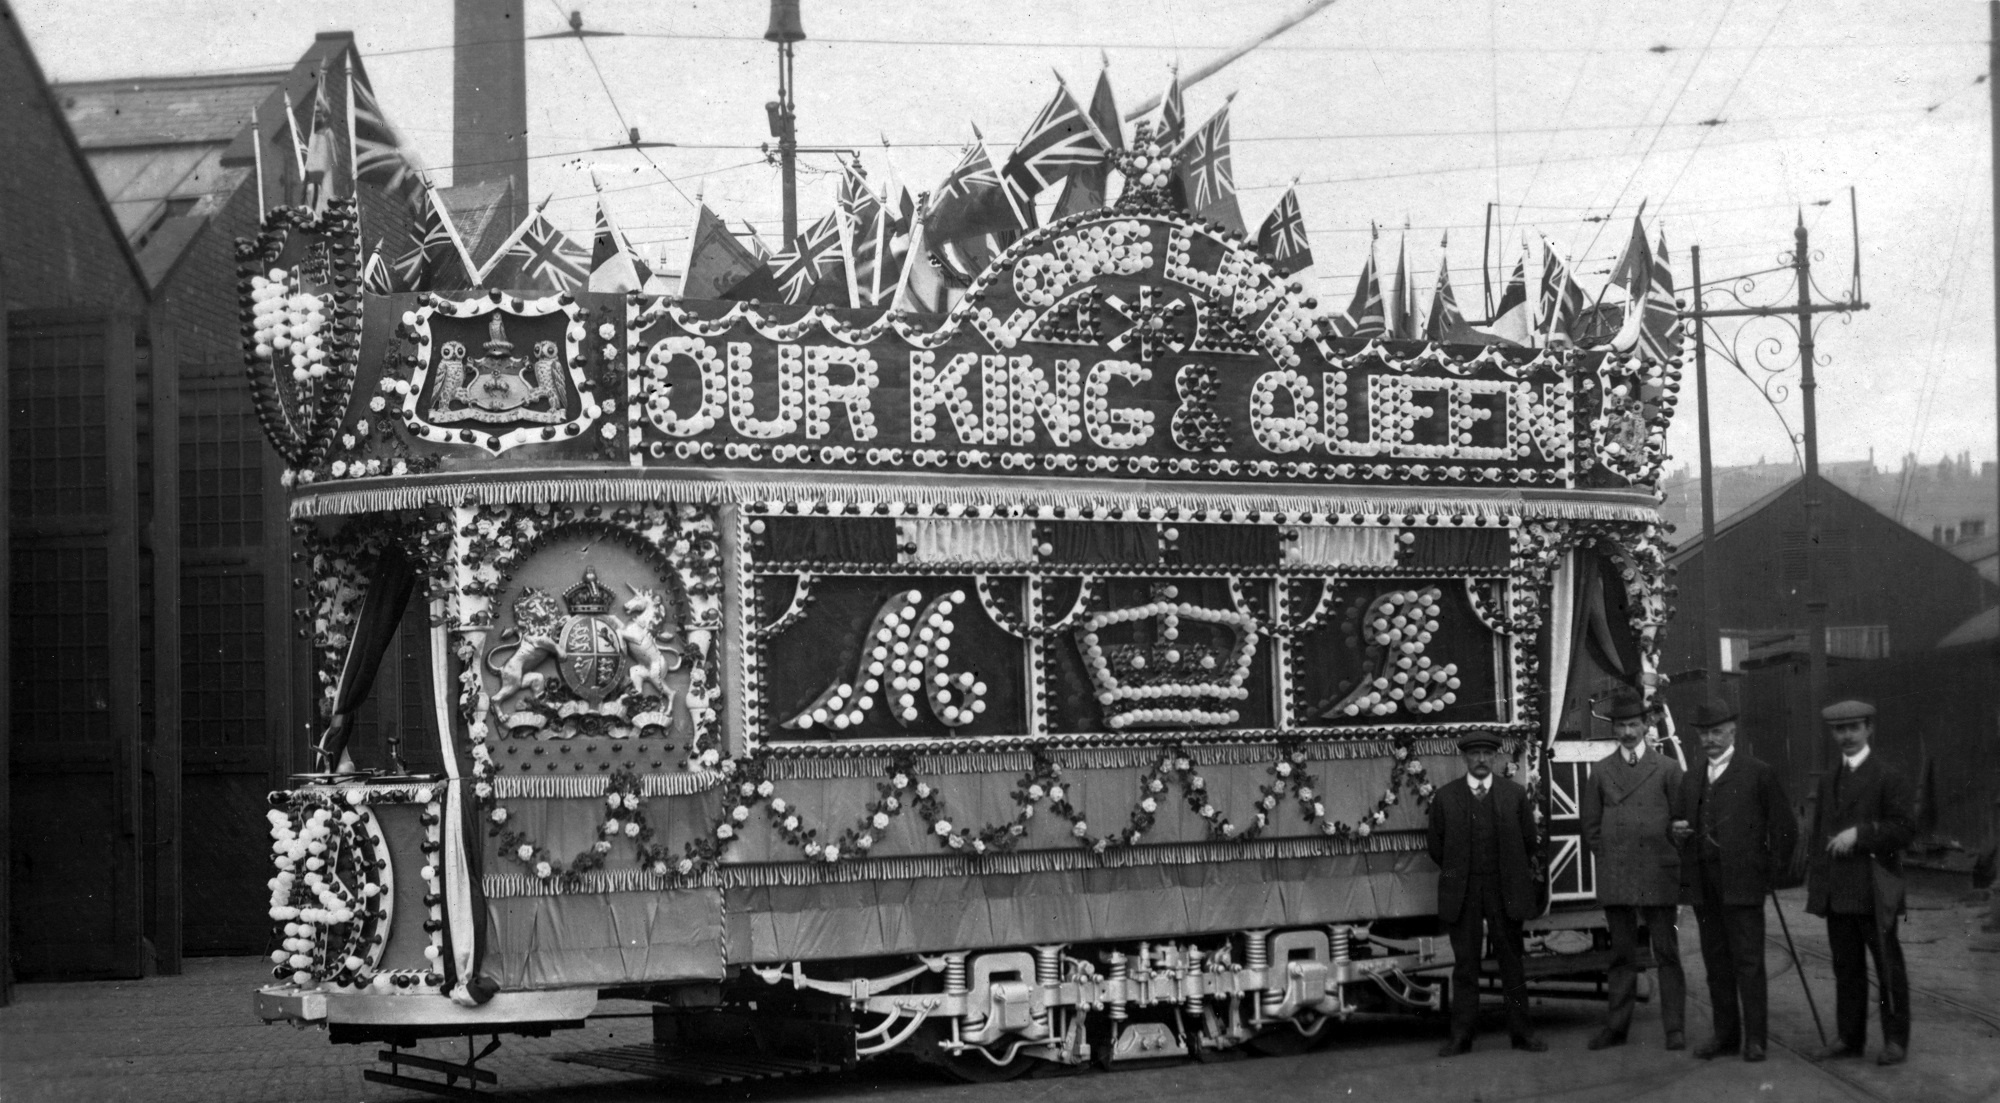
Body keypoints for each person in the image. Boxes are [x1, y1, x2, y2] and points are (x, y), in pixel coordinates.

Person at [1673, 698, 1795, 1063]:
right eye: (1704, 733)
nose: (1710, 739)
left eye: (1717, 732)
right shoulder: (1692, 777)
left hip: (1743, 882)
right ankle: (1725, 1035)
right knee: (1715, 961)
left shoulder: (1757, 772)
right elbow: (1678, 824)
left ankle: (1755, 1040)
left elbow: (1785, 829)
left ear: (1732, 732)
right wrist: (1675, 832)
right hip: (1704, 883)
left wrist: (1769, 875)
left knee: (1748, 962)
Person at [1804, 699, 1916, 1066]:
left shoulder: (1888, 775)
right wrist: (1818, 887)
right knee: (1846, 968)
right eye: (1839, 729)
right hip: (1839, 892)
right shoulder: (1827, 780)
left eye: (1853, 727)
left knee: (1887, 967)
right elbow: (1819, 835)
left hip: (1873, 890)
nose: (1846, 736)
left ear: (1869, 729)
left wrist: (1861, 834)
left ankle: (1895, 1040)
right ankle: (1849, 1038)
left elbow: (1904, 829)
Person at [1428, 731, 1547, 1056]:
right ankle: (1461, 1037)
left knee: (1512, 962)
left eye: (1487, 754)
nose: (1481, 759)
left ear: (1496, 757)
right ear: (1464, 758)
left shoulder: (1514, 795)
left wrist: (1506, 870)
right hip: (1463, 892)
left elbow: (1529, 841)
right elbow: (1437, 848)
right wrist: (1459, 874)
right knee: (1466, 966)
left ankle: (1522, 1034)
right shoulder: (1446, 797)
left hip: (1504, 888)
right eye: (1474, 753)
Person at [1581, 688, 1686, 1051]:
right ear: (1614, 730)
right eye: (1621, 726)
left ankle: (1675, 1028)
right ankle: (1617, 1027)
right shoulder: (1601, 771)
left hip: (1658, 871)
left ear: (1646, 725)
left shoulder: (1668, 769)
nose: (1627, 732)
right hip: (1619, 874)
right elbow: (1591, 826)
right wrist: (1611, 856)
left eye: (1633, 724)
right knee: (1622, 954)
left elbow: (1681, 820)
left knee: (1667, 952)